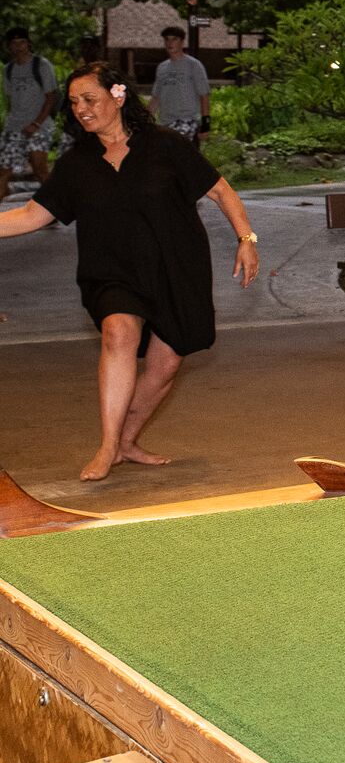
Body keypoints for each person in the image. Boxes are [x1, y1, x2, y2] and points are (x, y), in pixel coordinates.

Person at [0, 63, 259, 481]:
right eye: (74, 103)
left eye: (90, 99)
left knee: (166, 365)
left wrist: (247, 239)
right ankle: (107, 447)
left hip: (176, 266)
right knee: (118, 332)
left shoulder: (165, 145)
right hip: (111, 271)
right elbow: (32, 215)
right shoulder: (77, 163)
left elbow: (219, 189)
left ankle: (126, 441)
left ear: (117, 96)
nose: (81, 110)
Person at [1, 28, 58, 201]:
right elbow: (12, 100)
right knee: (3, 171)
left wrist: (36, 124)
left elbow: (51, 98)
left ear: (28, 44)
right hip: (15, 126)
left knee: (39, 169)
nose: (19, 47)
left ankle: (56, 206)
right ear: (9, 46)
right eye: (14, 43)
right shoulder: (9, 69)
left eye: (22, 42)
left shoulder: (41, 65)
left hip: (39, 126)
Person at [149, 26, 211, 142]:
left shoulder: (193, 65)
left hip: (187, 120)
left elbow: (204, 95)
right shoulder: (162, 67)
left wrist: (206, 124)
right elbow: (156, 98)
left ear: (182, 42)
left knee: (181, 154)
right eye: (167, 39)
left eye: (174, 39)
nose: (170, 43)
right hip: (165, 122)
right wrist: (143, 119)